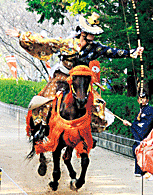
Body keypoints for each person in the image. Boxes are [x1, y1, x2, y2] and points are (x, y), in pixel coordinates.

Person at [6, 12, 143, 137]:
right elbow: (45, 41)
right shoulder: (68, 43)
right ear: (84, 32)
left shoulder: (95, 47)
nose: (94, 36)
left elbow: (111, 51)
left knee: (97, 104)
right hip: (63, 76)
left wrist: (131, 52)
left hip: (81, 80)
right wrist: (21, 35)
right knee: (46, 100)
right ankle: (43, 127)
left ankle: (89, 130)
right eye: (92, 33)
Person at [123, 92, 153, 177]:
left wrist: (131, 125)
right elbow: (137, 123)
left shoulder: (150, 110)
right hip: (141, 137)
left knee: (140, 149)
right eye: (140, 99)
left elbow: (145, 126)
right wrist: (129, 124)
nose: (142, 100)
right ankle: (139, 170)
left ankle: (144, 170)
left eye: (144, 98)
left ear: (147, 99)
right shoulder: (141, 110)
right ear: (138, 100)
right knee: (135, 148)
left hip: (148, 137)